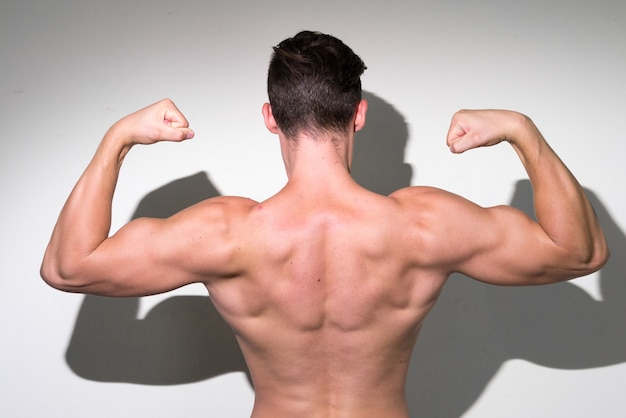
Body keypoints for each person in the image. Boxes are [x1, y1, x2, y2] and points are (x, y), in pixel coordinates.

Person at [41, 31, 609, 417]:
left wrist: (117, 140)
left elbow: (69, 267)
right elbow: (579, 252)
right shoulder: (422, 226)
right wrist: (521, 130)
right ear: (357, 113)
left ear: (271, 118)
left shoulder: (227, 234)